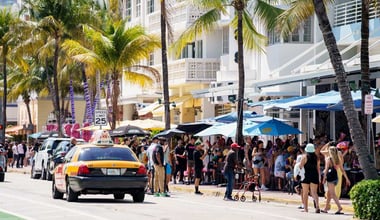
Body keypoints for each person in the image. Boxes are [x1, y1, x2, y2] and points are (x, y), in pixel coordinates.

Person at [321, 146, 350, 214]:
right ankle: (325, 208)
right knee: (328, 194)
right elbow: (342, 170)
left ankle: (339, 207)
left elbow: (326, 170)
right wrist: (347, 179)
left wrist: (323, 179)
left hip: (330, 178)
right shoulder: (338, 159)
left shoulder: (329, 159)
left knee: (332, 194)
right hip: (336, 177)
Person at [299, 143, 320, 213]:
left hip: (306, 175)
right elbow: (318, 169)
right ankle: (317, 206)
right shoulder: (316, 158)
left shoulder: (304, 157)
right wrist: (319, 177)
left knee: (305, 192)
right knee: (314, 192)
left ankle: (306, 208)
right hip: (314, 175)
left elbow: (300, 166)